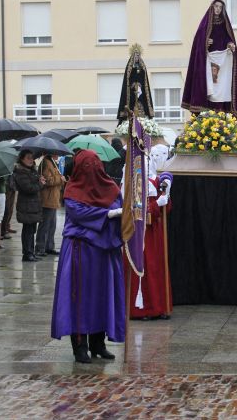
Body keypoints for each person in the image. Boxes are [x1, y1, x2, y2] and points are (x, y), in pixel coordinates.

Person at [51, 150, 125, 363]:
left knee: (102, 296)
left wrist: (121, 211)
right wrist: (107, 214)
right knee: (80, 297)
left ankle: (98, 343)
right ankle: (80, 346)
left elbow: (120, 206)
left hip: (103, 252)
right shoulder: (72, 189)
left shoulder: (110, 187)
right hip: (80, 252)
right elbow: (78, 213)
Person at [181, 0, 237, 118]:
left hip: (222, 61)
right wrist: (205, 43)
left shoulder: (225, 24)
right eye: (216, 6)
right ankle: (206, 111)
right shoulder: (205, 24)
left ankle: (221, 111)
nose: (218, 9)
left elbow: (227, 38)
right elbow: (198, 42)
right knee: (208, 85)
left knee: (222, 85)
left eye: (220, 7)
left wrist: (230, 44)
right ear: (212, 7)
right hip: (207, 60)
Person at [128, 174, 172, 320]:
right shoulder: (134, 180)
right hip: (141, 234)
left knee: (156, 268)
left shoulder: (156, 180)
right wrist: (156, 205)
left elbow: (166, 209)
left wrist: (166, 195)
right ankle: (142, 309)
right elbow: (137, 212)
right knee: (144, 269)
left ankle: (158, 307)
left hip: (154, 234)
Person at [13, 150, 45, 262]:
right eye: (28, 158)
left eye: (32, 158)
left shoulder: (31, 171)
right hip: (26, 206)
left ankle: (31, 252)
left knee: (32, 230)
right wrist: (40, 184)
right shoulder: (20, 172)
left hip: (33, 206)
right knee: (27, 230)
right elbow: (29, 188)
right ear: (22, 159)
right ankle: (27, 254)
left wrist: (40, 180)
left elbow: (35, 184)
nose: (31, 160)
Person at [36, 154, 65, 257]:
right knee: (45, 224)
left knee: (52, 225)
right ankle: (40, 247)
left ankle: (49, 246)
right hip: (47, 199)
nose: (58, 154)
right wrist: (60, 179)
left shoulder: (52, 162)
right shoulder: (46, 162)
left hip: (53, 198)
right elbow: (48, 180)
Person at [117, 44, 154, 122]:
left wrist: (140, 84)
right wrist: (133, 84)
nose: (137, 58)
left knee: (141, 103)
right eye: (135, 56)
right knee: (131, 104)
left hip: (140, 91)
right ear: (133, 57)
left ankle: (142, 116)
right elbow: (127, 79)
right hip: (131, 92)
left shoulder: (142, 67)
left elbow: (144, 79)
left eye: (138, 56)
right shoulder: (129, 68)